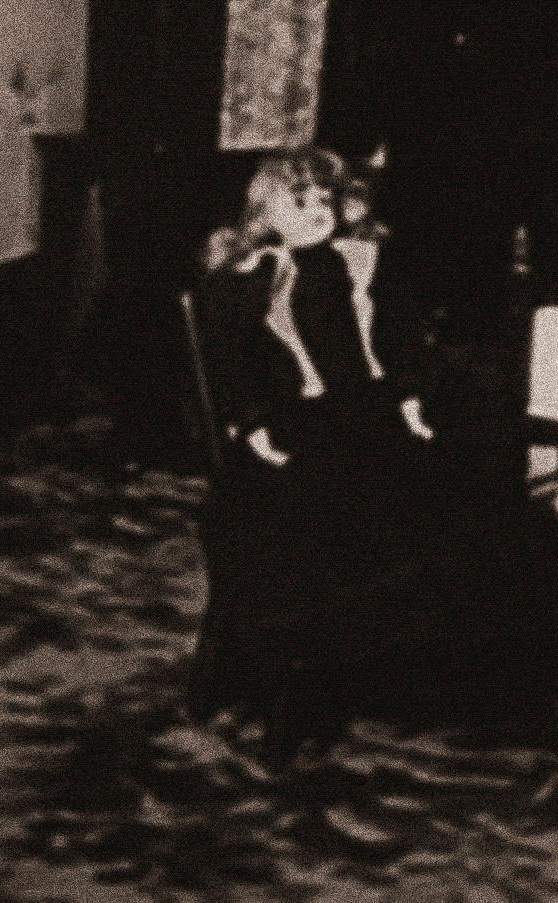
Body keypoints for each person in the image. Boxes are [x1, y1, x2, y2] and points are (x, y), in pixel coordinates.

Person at [192, 151, 533, 745]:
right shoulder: (249, 278)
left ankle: (430, 661)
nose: (317, 211)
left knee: (457, 485)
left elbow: (391, 342)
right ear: (266, 211)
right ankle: (305, 674)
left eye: (325, 200)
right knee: (321, 502)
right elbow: (234, 365)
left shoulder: (356, 261)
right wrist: (252, 425)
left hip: (366, 410)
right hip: (298, 417)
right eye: (300, 201)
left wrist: (410, 397)